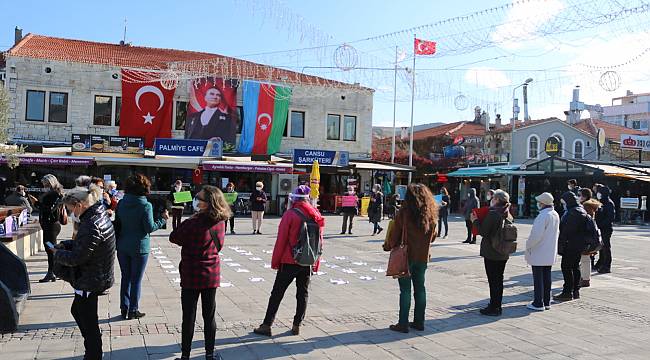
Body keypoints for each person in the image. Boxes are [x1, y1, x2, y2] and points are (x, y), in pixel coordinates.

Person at [52, 185, 115, 360]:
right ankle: (93, 348)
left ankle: (93, 353)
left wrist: (58, 254)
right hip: (95, 274)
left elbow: (78, 257)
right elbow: (87, 247)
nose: (71, 212)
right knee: (79, 312)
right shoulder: (97, 216)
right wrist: (67, 244)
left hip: (91, 277)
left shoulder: (91, 224)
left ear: (79, 205)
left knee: (88, 320)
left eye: (71, 208)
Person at [170, 186, 231, 360]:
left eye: (199, 198)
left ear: (207, 204)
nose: (196, 200)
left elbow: (174, 237)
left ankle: (185, 356)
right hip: (211, 273)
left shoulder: (193, 223)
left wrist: (190, 220)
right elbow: (220, 244)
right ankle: (210, 354)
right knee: (209, 315)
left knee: (188, 316)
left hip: (191, 273)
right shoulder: (221, 221)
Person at [254, 185, 324, 337]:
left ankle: (267, 325)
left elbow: (281, 241)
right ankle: (297, 324)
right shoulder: (316, 214)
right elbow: (319, 242)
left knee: (277, 293)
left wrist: (275, 262)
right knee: (303, 293)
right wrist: (315, 263)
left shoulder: (290, 214)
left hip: (289, 260)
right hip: (307, 261)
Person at [384, 184, 437, 333]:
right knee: (420, 288)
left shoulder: (404, 213)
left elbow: (395, 234)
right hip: (422, 257)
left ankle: (403, 323)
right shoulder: (430, 213)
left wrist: (388, 245)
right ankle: (419, 321)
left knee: (405, 290)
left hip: (405, 257)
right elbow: (433, 237)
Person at [114, 174, 169, 320]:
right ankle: (133, 309)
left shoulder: (121, 203)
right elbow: (149, 227)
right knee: (136, 279)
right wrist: (162, 220)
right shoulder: (145, 205)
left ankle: (123, 308)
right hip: (139, 246)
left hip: (122, 245)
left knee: (125, 277)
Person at [471, 189, 512, 316]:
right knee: (499, 279)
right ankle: (496, 304)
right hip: (503, 251)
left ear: (497, 200)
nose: (491, 199)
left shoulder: (494, 213)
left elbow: (484, 231)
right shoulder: (507, 212)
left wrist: (475, 220)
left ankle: (494, 307)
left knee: (493, 280)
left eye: (493, 198)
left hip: (492, 251)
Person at [524, 193, 559, 311]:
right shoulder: (555, 214)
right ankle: (546, 301)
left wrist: (528, 245)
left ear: (543, 203)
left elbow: (536, 235)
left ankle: (538, 302)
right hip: (549, 251)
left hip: (539, 251)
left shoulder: (543, 216)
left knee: (538, 278)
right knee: (547, 277)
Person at [554, 192, 589, 301]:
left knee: (566, 267)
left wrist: (561, 244)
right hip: (578, 244)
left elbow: (566, 231)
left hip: (570, 244)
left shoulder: (572, 213)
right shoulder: (581, 210)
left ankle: (567, 292)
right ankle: (575, 291)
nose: (563, 204)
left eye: (564, 202)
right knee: (575, 267)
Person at [36, 174, 65, 283]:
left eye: (46, 184)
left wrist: (37, 204)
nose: (44, 186)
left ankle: (52, 272)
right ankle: (53, 272)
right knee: (50, 248)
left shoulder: (54, 194)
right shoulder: (54, 193)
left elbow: (50, 209)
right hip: (50, 224)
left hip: (51, 225)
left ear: (50, 183)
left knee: (50, 248)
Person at [594, 185, 615, 274]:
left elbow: (610, 218)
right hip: (600, 228)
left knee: (606, 247)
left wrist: (601, 224)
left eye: (600, 192)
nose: (598, 194)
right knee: (601, 247)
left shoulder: (609, 203)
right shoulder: (601, 202)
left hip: (606, 228)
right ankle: (601, 263)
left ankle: (607, 265)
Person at [581, 198, 601, 288]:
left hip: (585, 242)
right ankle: (586, 279)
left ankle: (583, 279)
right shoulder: (593, 216)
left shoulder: (587, 218)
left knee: (584, 260)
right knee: (587, 261)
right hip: (592, 243)